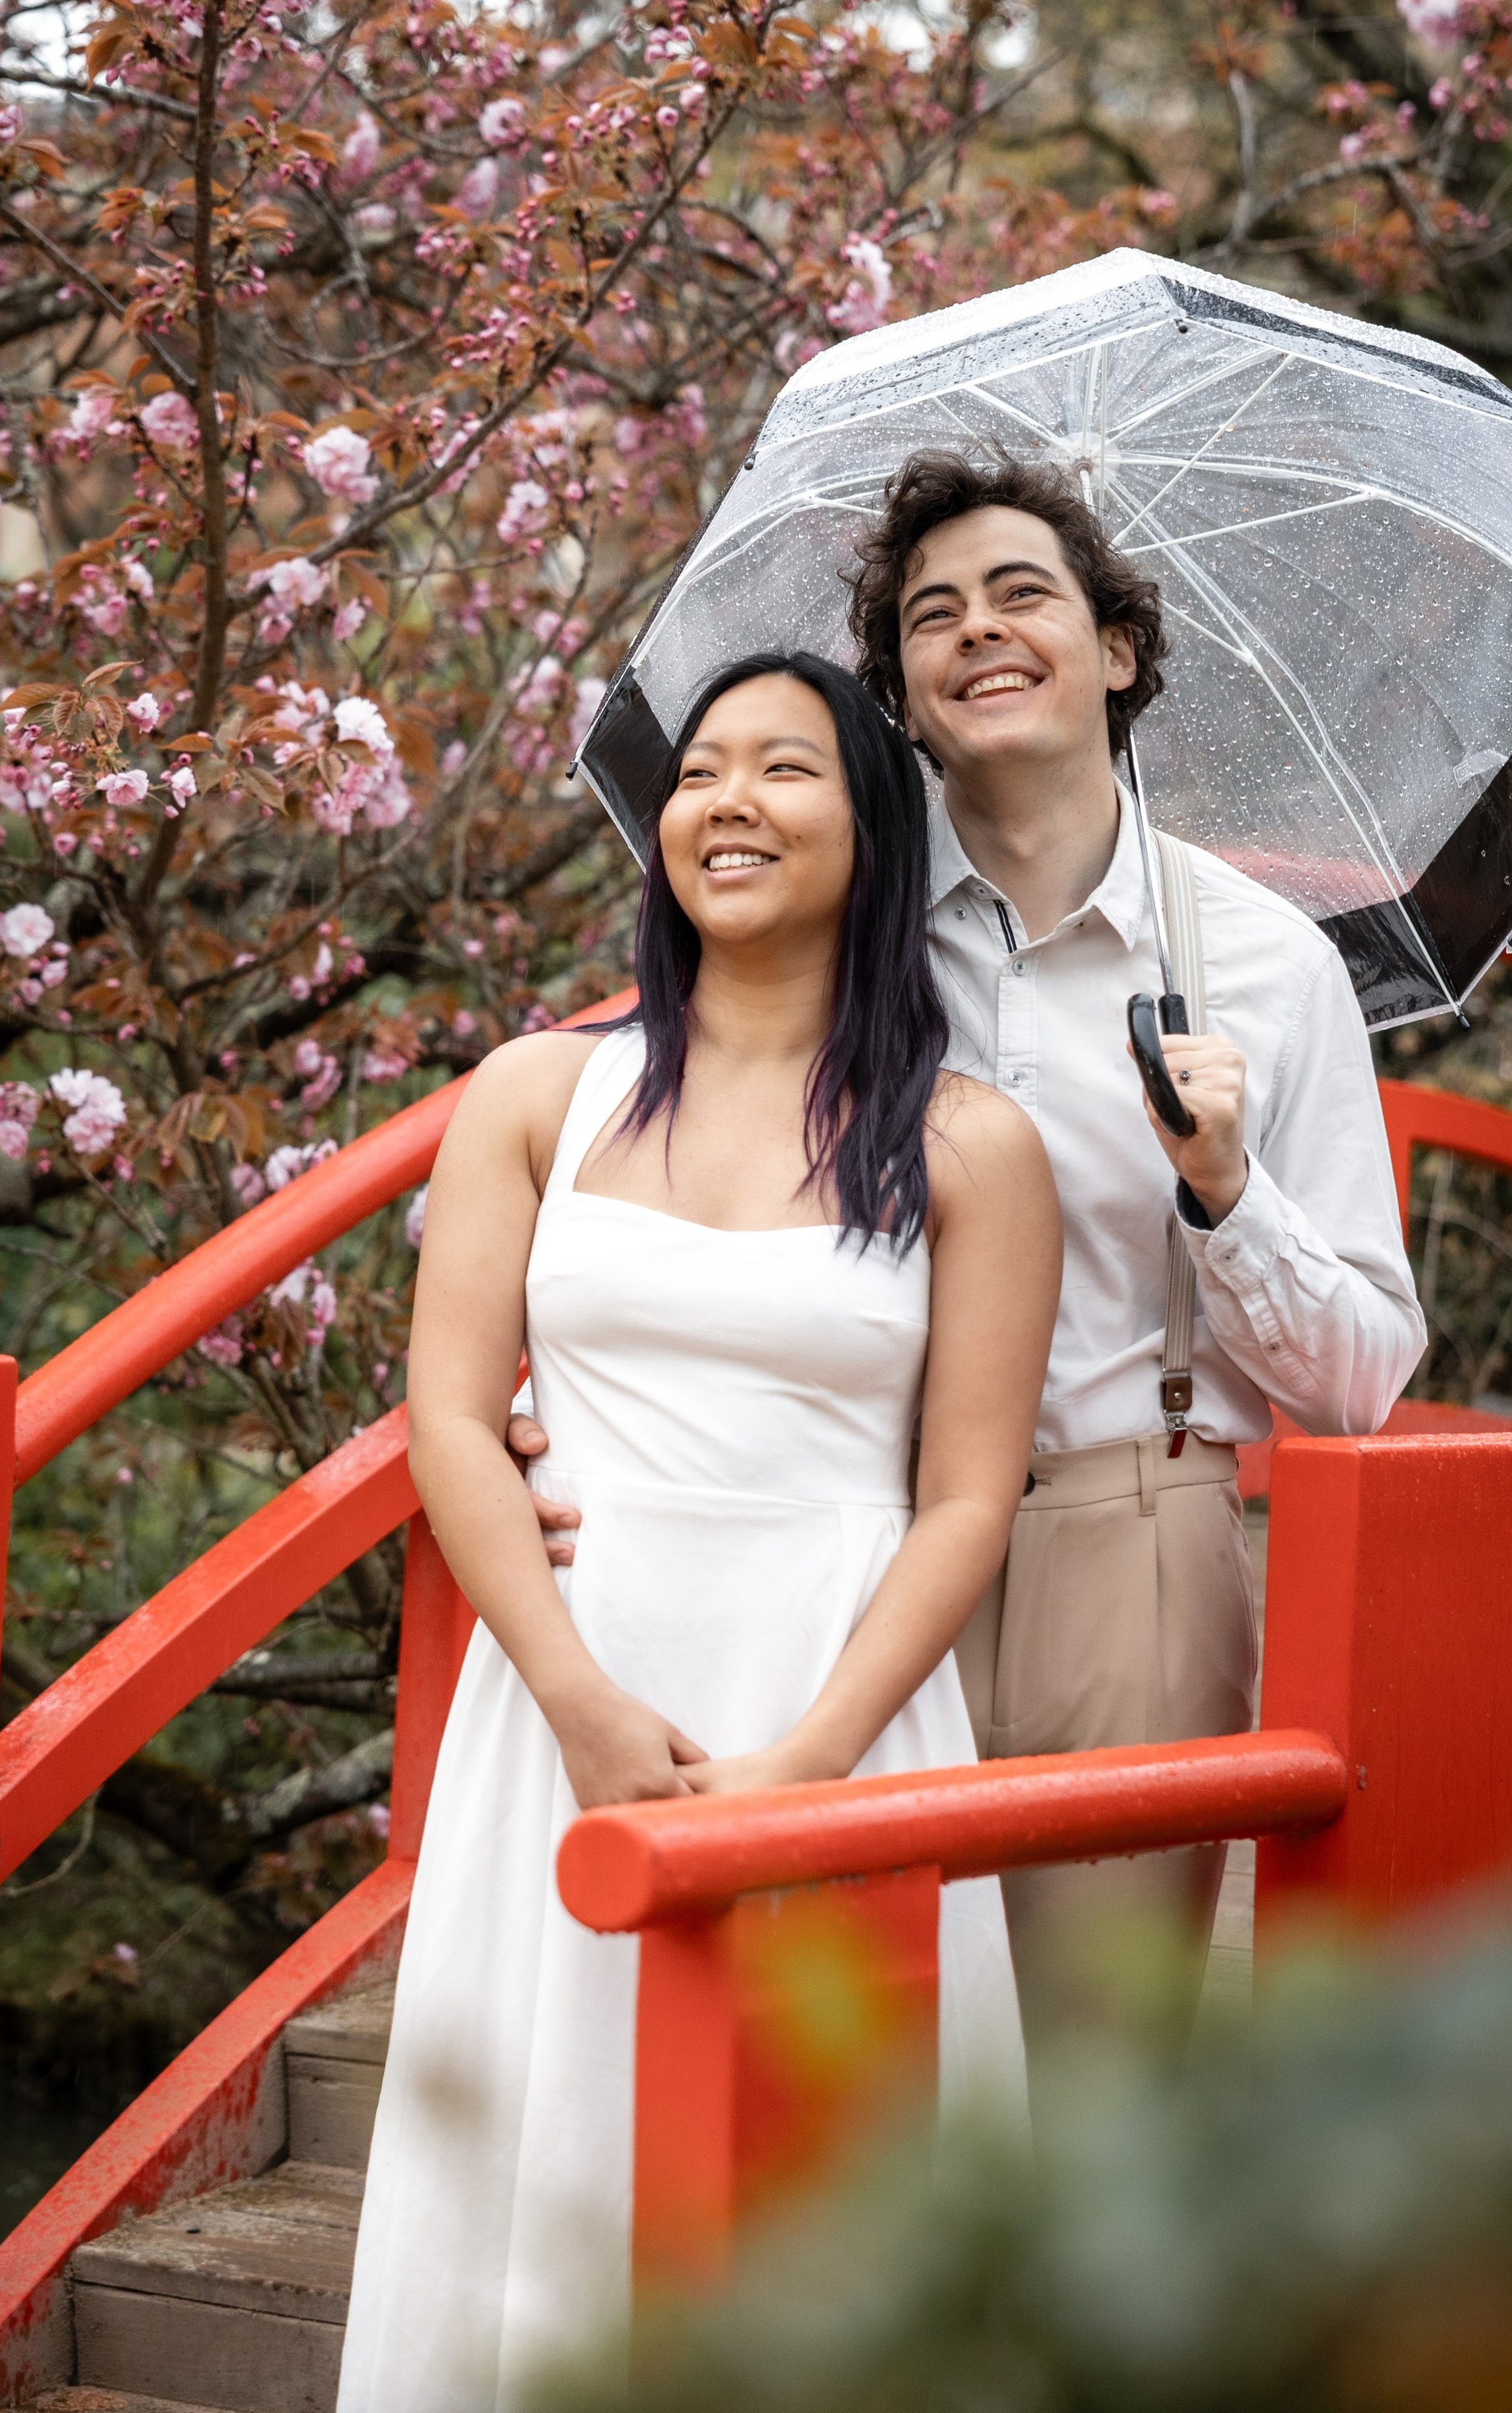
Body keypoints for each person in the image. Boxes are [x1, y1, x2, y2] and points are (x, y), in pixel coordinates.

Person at [338, 651, 1056, 2413]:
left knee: (827, 2161)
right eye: (699, 773)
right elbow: (446, 1416)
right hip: (569, 1691)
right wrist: (575, 1695)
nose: (727, 803)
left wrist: (812, 1759)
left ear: (874, 831)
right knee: (543, 2127)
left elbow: (969, 1493)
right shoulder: (531, 1091)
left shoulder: (973, 1148)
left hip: (835, 1690)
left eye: (784, 770)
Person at [839, 447, 1428, 2043]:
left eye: (1020, 593)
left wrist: (1227, 1195)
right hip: (854, 1538)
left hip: (1135, 1522)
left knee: (1098, 2059)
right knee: (871, 2060)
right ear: (896, 691)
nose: (976, 629)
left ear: (1113, 649)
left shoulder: (1262, 964)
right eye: (929, 614)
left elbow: (1361, 1380)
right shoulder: (838, 946)